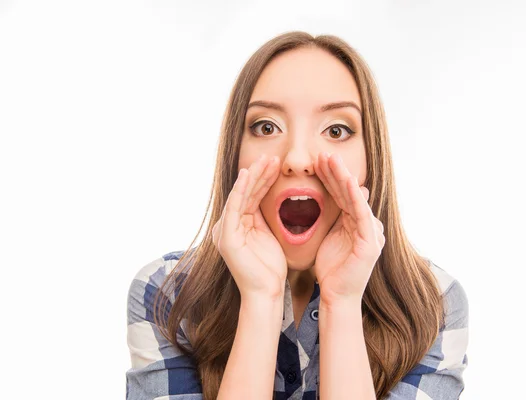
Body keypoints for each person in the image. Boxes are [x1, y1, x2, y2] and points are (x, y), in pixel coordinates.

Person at [126, 31, 469, 400]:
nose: (298, 159)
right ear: (235, 155)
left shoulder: (434, 305)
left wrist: (342, 302)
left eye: (336, 130)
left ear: (371, 162)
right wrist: (260, 298)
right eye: (266, 127)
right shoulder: (165, 294)